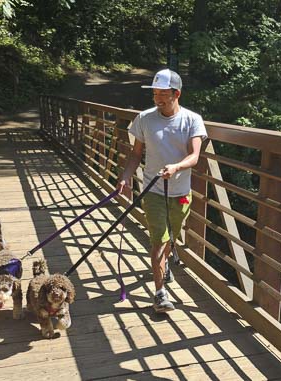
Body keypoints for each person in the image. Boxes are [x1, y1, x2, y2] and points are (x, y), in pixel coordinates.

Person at [117, 69, 207, 313]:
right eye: (155, 93)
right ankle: (159, 293)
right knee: (158, 239)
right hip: (153, 190)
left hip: (180, 191)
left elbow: (195, 156)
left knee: (170, 238)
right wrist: (125, 177)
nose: (157, 98)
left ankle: (165, 262)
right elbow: (136, 154)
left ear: (176, 94)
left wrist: (177, 166)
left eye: (163, 94)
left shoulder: (192, 120)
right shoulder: (144, 119)